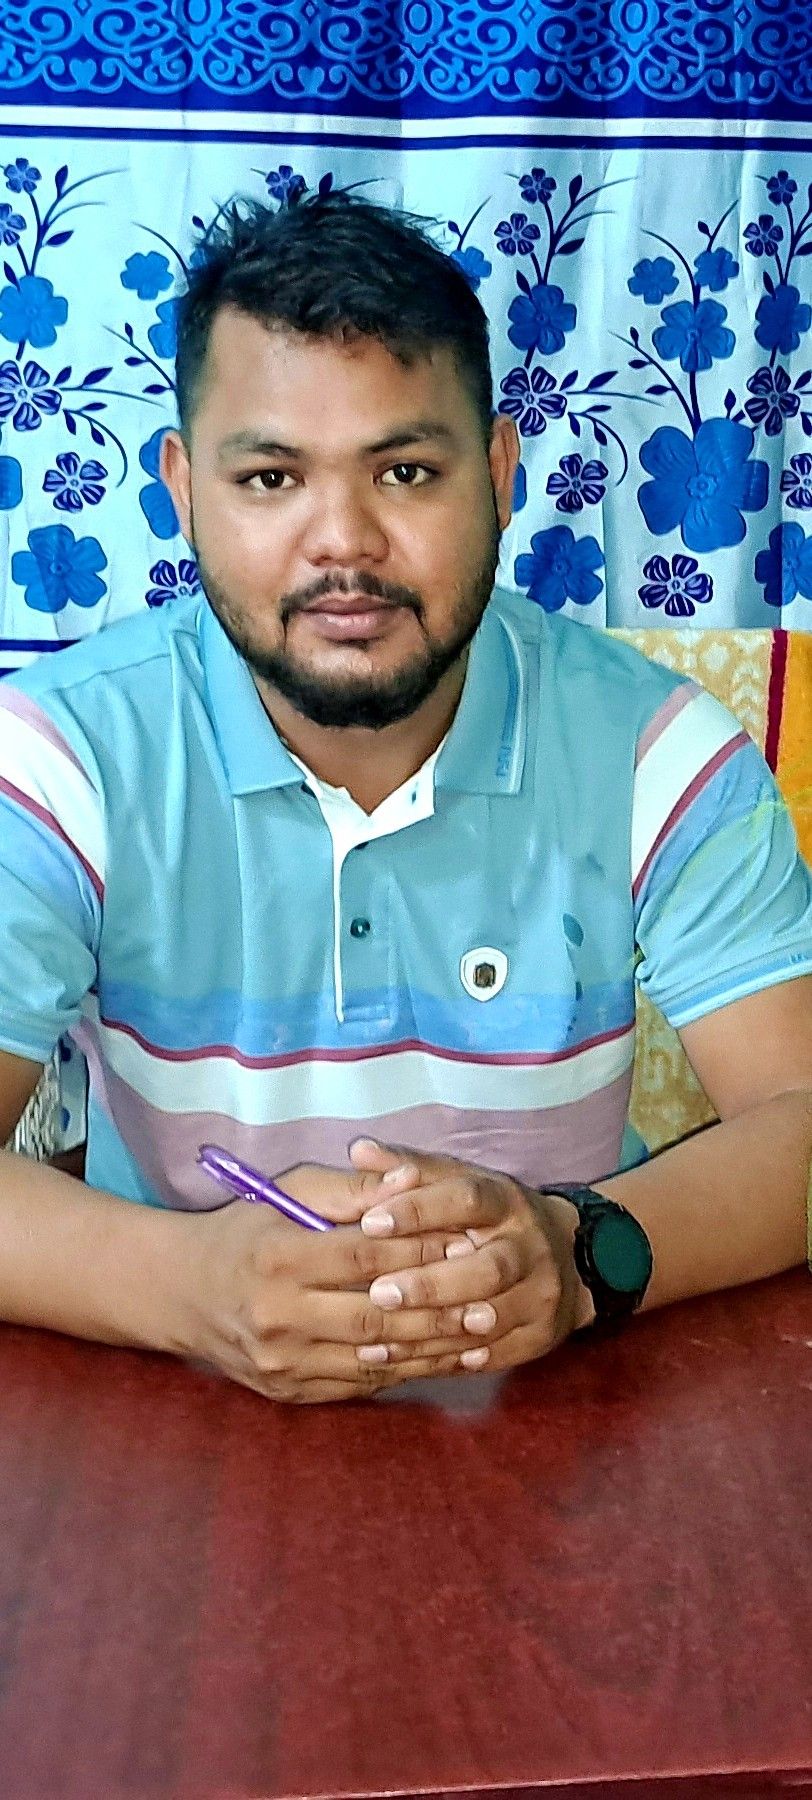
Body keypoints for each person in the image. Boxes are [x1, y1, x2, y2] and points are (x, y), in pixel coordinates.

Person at [0, 190, 810, 1406]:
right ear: (182, 488)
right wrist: (192, 1285)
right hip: (170, 1411)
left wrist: (574, 1253)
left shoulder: (655, 751)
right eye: (270, 477)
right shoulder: (60, 757)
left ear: (497, 472)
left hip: (564, 1414)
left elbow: (799, 1120)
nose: (343, 543)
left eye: (406, 471)